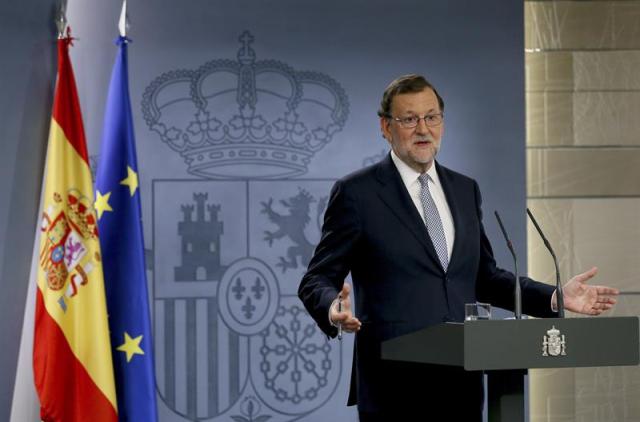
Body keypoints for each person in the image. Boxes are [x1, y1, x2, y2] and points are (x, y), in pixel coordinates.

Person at [298, 74, 619, 421]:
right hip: (393, 386)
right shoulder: (357, 194)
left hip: (461, 385)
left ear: (442, 122)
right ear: (386, 127)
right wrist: (332, 308)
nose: (423, 128)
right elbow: (316, 279)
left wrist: (555, 297)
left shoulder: (465, 190)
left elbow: (485, 277)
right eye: (409, 119)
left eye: (431, 116)